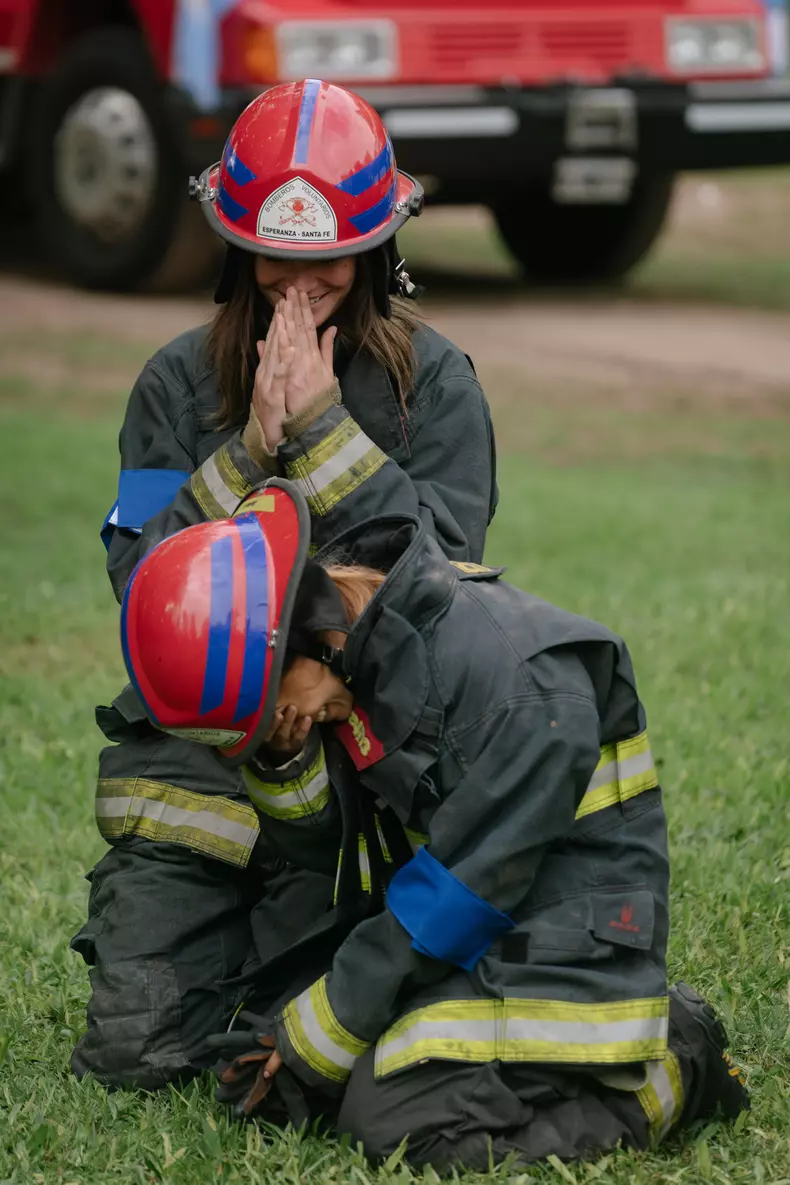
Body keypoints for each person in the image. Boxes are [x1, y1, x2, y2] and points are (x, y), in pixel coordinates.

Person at [118, 480, 749, 1172]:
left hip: (572, 951)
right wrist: (285, 756)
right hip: (481, 932)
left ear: (299, 635)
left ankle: (673, 1063)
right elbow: (334, 857)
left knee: (389, 1116)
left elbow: (462, 891)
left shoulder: (515, 678)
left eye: (269, 711)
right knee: (292, 1056)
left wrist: (333, 1021)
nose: (277, 726)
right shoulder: (369, 661)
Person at [71, 79, 498, 1090]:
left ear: (377, 255)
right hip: (199, 781)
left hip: (361, 784)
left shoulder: (434, 388)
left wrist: (323, 435)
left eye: (325, 262)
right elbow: (141, 592)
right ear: (233, 249)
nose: (297, 286)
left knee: (314, 1062)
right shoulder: (175, 386)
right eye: (275, 260)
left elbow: (451, 589)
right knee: (139, 1056)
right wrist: (250, 449)